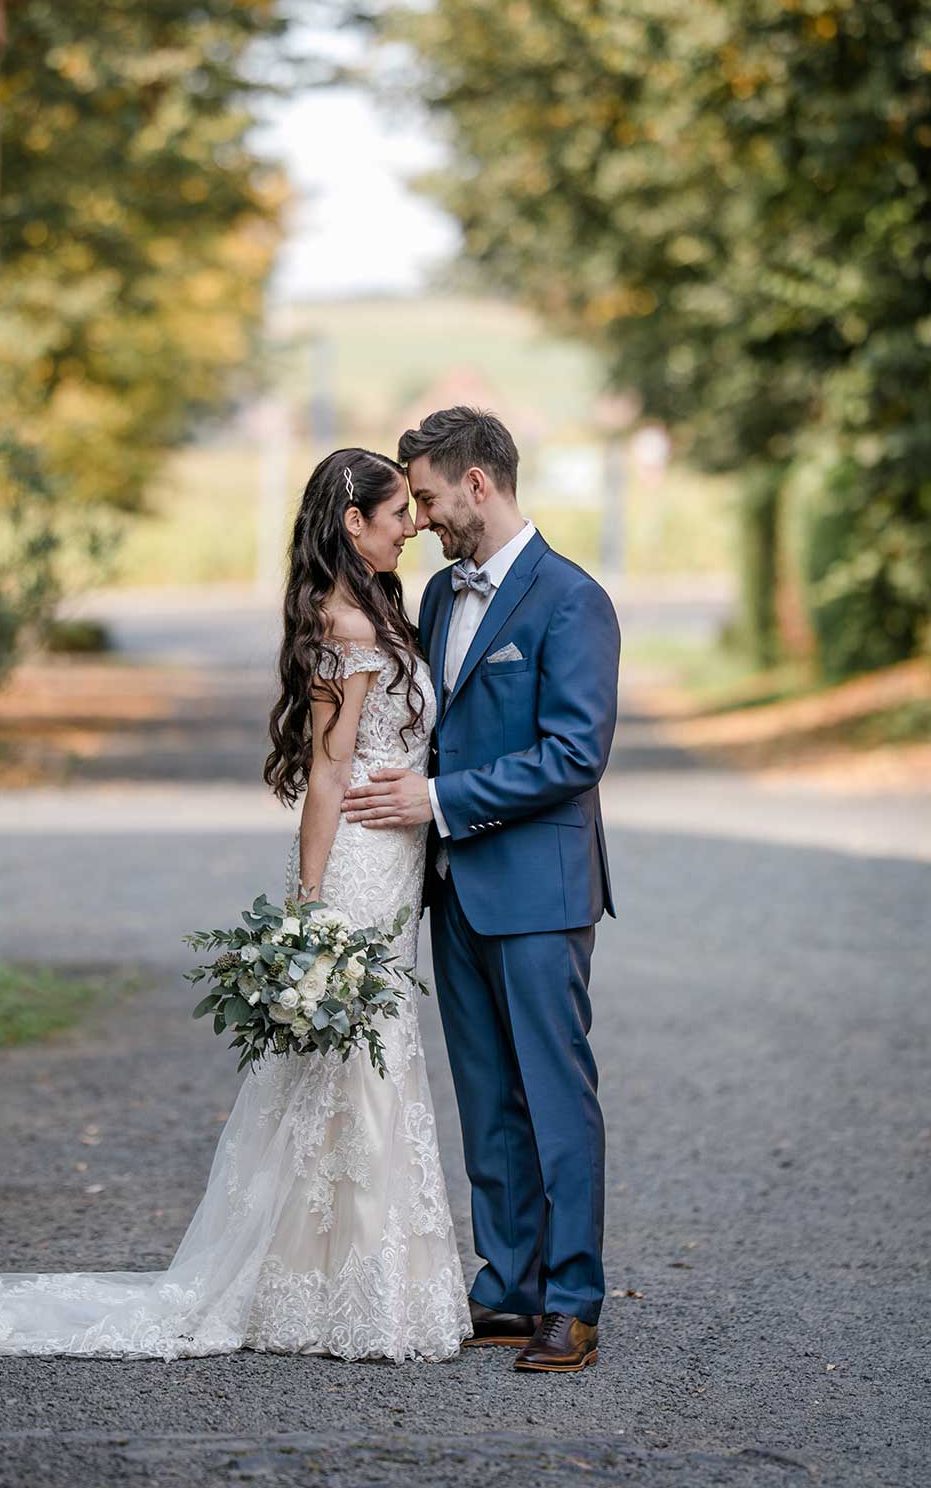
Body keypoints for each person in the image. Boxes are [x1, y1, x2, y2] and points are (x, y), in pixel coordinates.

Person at [0, 447, 472, 1364]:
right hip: (362, 867)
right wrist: (307, 904)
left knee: (362, 1065)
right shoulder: (351, 625)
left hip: (396, 856)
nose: (412, 525)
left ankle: (342, 1279)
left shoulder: (378, 606)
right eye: (397, 513)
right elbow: (328, 775)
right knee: (356, 1064)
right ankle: (343, 1292)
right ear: (352, 523)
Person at [343, 407, 620, 1372]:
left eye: (424, 497)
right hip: (453, 889)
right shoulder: (433, 597)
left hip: (539, 890)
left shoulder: (569, 599)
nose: (416, 518)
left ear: (477, 483)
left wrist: (439, 799)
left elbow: (575, 754)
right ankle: (506, 1285)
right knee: (485, 1097)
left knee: (554, 1092)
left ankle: (573, 1301)